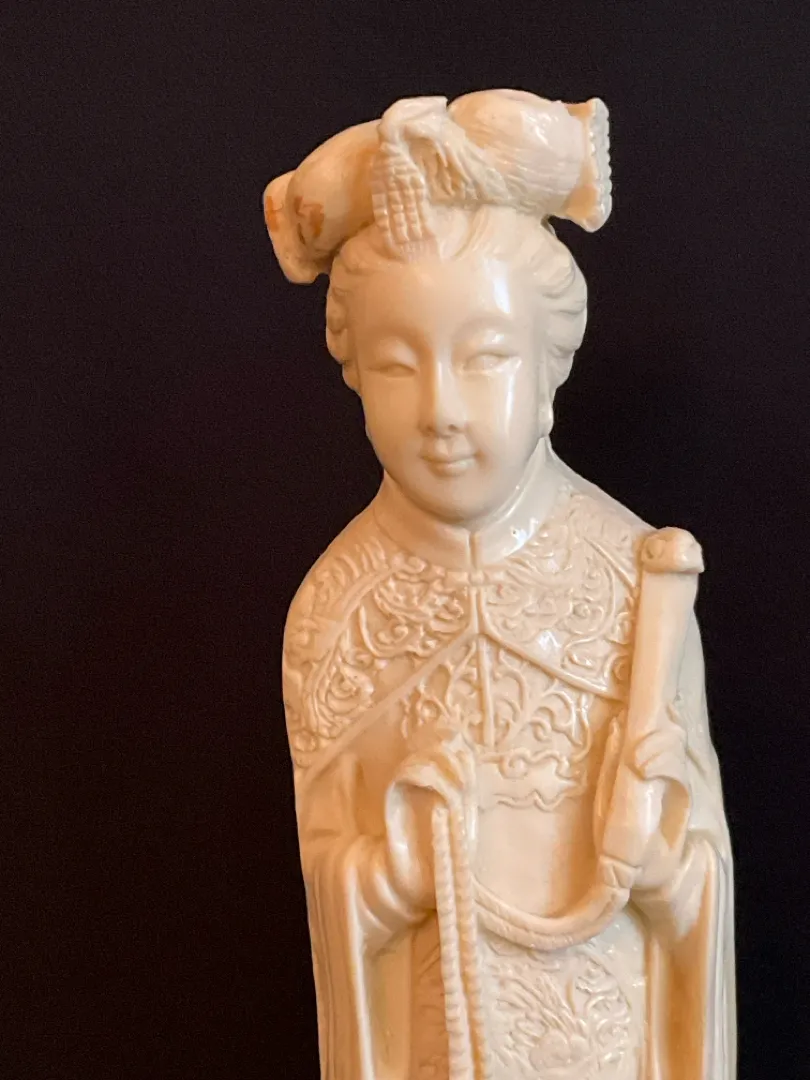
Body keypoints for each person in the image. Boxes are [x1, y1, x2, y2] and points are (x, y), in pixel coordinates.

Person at [266, 89, 735, 1080]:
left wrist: (663, 867)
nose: (441, 409)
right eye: (398, 366)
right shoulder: (335, 611)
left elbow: (700, 874)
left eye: (485, 359)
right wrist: (385, 882)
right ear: (354, 375)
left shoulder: (632, 577)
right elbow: (329, 876)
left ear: (549, 366)